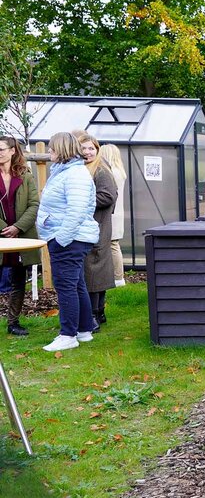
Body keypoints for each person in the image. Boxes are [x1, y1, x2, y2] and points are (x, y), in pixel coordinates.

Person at [37, 132, 100, 352]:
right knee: (76, 284)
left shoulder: (74, 174)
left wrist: (62, 239)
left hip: (69, 239)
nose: (49, 152)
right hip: (69, 238)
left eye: (52, 148)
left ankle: (68, 335)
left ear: (62, 150)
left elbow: (77, 210)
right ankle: (83, 331)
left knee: (65, 286)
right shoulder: (65, 172)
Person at [0, 136, 40, 336]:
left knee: (17, 280)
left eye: (1, 149)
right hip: (1, 235)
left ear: (12, 151)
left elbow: (34, 204)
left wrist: (17, 227)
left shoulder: (25, 175)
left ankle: (13, 322)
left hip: (21, 236)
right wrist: (3, 228)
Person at [79, 135, 118, 331]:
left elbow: (108, 196)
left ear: (97, 149)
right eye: (83, 149)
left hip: (98, 226)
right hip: (93, 225)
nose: (87, 152)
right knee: (96, 270)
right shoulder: (86, 168)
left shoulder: (101, 169)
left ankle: (93, 316)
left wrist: (80, 200)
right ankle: (99, 312)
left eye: (91, 149)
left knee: (92, 270)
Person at [100, 144, 127, 287]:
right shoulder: (120, 171)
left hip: (112, 214)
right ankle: (117, 276)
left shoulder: (111, 172)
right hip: (117, 213)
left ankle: (118, 277)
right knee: (113, 244)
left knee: (113, 244)